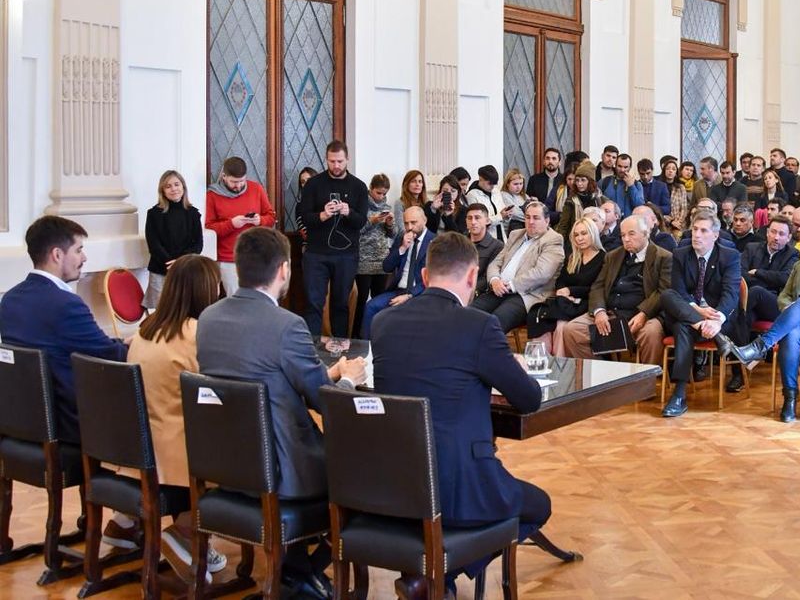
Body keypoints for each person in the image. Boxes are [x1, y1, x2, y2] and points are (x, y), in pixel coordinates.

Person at [369, 232, 550, 593]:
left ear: (423, 276)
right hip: (459, 485)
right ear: (472, 277)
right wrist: (513, 367)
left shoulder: (383, 323)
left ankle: (432, 575)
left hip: (395, 483)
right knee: (538, 505)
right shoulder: (479, 326)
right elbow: (528, 399)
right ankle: (445, 570)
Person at [196, 226, 365, 596]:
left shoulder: (208, 319)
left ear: (239, 268)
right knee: (367, 475)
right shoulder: (288, 326)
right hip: (284, 469)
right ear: (285, 270)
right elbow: (324, 401)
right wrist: (348, 378)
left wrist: (326, 373)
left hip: (226, 464)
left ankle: (296, 570)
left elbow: (264, 374)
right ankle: (300, 572)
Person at [125, 254, 228, 578]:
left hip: (140, 449)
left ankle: (175, 533)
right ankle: (184, 532)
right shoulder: (197, 334)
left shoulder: (144, 331)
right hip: (181, 454)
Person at [0, 216, 129, 444]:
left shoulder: (10, 299)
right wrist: (132, 343)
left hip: (22, 422)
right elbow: (111, 356)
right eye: (79, 250)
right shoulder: (65, 304)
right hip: (69, 426)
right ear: (57, 255)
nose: (84, 257)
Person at [719, 225, 800, 423]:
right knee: (790, 337)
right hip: (799, 323)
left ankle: (760, 346)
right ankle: (789, 398)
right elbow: (784, 296)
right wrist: (791, 308)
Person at [660, 211, 742, 417]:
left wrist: (716, 322)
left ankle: (679, 394)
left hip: (718, 318)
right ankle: (679, 394)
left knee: (680, 326)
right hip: (692, 314)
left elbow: (731, 295)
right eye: (695, 229)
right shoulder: (681, 253)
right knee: (668, 295)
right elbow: (678, 290)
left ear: (715, 235)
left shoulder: (730, 256)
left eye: (703, 230)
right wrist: (698, 313)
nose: (697, 235)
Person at [562, 216, 671, 364]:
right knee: (571, 330)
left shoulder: (663, 257)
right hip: (611, 313)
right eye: (623, 235)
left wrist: (644, 314)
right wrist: (599, 311)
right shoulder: (613, 256)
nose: (626, 239)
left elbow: (663, 292)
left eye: (631, 234)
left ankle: (647, 380)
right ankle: (599, 374)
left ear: (646, 233)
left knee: (651, 333)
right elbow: (598, 286)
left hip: (644, 316)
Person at [298, 140, 370, 338]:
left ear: (347, 159)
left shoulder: (359, 187)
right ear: (326, 160)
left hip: (346, 255)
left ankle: (340, 349)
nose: (336, 166)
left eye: (340, 161)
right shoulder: (314, 184)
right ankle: (310, 349)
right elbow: (304, 216)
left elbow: (361, 221)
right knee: (314, 303)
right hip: (316, 254)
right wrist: (322, 215)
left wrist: (349, 212)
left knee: (340, 304)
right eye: (332, 161)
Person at [471, 202, 565, 332]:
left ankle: (485, 351)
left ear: (547, 220)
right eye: (527, 217)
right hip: (499, 289)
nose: (531, 221)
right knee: (470, 312)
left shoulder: (553, 239)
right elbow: (496, 263)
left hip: (527, 294)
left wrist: (510, 285)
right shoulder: (516, 234)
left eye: (536, 218)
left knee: (496, 320)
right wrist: (494, 280)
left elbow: (542, 274)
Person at [525, 219, 606, 356]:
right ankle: (539, 362)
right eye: (576, 235)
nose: (579, 238)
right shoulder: (573, 257)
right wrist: (562, 291)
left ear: (593, 234)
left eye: (584, 234)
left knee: (562, 325)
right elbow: (561, 280)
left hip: (586, 303)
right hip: (565, 302)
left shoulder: (604, 258)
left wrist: (571, 291)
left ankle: (560, 366)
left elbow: (598, 288)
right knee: (541, 319)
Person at [206, 156, 276, 294]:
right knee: (238, 301)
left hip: (256, 256)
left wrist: (260, 221)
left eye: (242, 181)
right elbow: (209, 228)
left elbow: (271, 217)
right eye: (234, 182)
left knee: (259, 299)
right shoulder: (212, 195)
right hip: (228, 259)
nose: (238, 186)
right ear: (224, 176)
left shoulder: (256, 189)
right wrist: (231, 224)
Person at [359, 206, 431, 340]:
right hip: (398, 291)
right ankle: (366, 351)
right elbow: (386, 267)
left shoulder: (434, 242)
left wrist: (410, 295)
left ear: (424, 220)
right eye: (406, 223)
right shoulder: (402, 238)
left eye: (414, 222)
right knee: (370, 307)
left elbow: (432, 279)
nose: (409, 227)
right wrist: (402, 248)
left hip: (420, 294)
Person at [144, 170, 203, 309]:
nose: (173, 189)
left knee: (184, 309)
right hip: (160, 269)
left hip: (185, 270)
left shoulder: (193, 213)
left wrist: (180, 262)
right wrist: (171, 263)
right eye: (168, 186)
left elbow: (198, 244)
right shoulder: (153, 214)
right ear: (162, 191)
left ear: (183, 187)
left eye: (176, 184)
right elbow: (154, 244)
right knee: (159, 311)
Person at [352, 174, 396, 339]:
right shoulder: (361, 207)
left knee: (379, 302)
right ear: (370, 189)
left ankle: (377, 335)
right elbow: (355, 231)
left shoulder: (387, 207)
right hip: (364, 261)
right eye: (378, 193)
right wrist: (372, 221)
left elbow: (393, 235)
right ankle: (356, 336)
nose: (381, 197)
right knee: (360, 302)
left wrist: (390, 224)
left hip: (382, 262)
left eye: (384, 193)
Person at [737, 216, 800, 331]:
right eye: (773, 232)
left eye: (781, 234)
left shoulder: (793, 254)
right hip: (752, 301)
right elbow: (740, 274)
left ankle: (727, 321)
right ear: (767, 232)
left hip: (776, 303)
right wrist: (770, 281)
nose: (776, 237)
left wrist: (757, 272)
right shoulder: (752, 248)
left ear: (788, 238)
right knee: (747, 317)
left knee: (756, 291)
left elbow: (786, 278)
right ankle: (740, 348)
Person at [464, 204, 503, 295]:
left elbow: (489, 276)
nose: (473, 222)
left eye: (477, 218)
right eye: (470, 218)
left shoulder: (497, 246)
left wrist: (469, 289)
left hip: (477, 293)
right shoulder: (459, 242)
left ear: (487, 221)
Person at [466, 165, 511, 242]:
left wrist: (507, 215)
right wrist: (500, 216)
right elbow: (479, 221)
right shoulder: (472, 195)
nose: (492, 186)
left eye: (494, 184)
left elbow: (501, 210)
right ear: (481, 179)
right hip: (484, 237)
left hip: (500, 234)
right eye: (490, 183)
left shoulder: (496, 192)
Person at [527, 147, 564, 224]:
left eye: (554, 159)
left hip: (559, 221)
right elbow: (528, 202)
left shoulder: (564, 180)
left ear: (559, 162)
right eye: (547, 158)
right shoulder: (534, 179)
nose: (550, 161)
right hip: (538, 220)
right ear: (544, 161)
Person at [500, 168, 529, 233]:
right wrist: (531, 217)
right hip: (510, 230)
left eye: (521, 183)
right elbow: (515, 213)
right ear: (507, 183)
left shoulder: (524, 196)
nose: (519, 187)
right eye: (515, 184)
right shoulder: (504, 195)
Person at [295, 167, 318, 241]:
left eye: (309, 180)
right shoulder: (300, 207)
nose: (306, 184)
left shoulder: (326, 201)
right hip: (311, 246)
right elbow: (304, 231)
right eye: (303, 182)